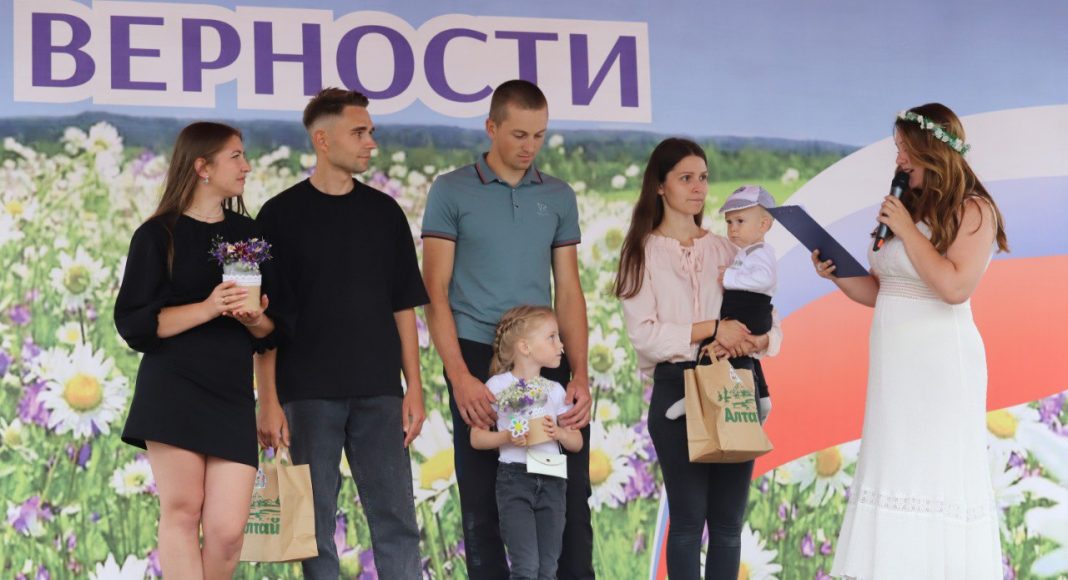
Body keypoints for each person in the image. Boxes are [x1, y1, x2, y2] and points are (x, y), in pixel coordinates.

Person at [814, 103, 1009, 579]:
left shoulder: (974, 210)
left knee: (934, 471)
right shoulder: (910, 207)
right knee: (894, 466)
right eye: (897, 150)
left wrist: (904, 228)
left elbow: (954, 287)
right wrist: (836, 274)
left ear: (934, 152)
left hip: (941, 366)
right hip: (894, 369)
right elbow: (885, 291)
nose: (899, 160)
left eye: (906, 150)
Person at [422, 79, 594, 580]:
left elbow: (569, 289)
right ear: (491, 127)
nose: (529, 147)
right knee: (484, 499)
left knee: (564, 496)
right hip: (477, 357)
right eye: (519, 134)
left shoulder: (558, 195)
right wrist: (460, 377)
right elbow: (435, 290)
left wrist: (580, 373)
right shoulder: (451, 190)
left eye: (539, 135)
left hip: (544, 359)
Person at [254, 88, 428, 579]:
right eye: (359, 132)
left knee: (397, 521)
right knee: (312, 527)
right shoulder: (277, 216)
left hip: (380, 392)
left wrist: (413, 386)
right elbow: (262, 320)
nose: (371, 142)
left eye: (371, 131)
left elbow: (403, 307)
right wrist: (267, 400)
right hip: (306, 394)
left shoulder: (386, 213)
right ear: (323, 140)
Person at [616, 138, 782, 580]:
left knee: (727, 526)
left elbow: (771, 325)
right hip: (675, 388)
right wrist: (713, 328)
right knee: (688, 523)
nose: (698, 188)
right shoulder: (640, 253)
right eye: (686, 178)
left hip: (733, 383)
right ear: (659, 186)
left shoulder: (730, 249)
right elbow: (644, 336)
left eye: (703, 178)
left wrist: (751, 340)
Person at [115, 122, 274, 579]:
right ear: (202, 167)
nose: (246, 166)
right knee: (183, 511)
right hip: (172, 389)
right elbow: (136, 325)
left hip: (231, 393)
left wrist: (254, 317)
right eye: (236, 156)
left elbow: (270, 330)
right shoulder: (157, 235)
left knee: (227, 530)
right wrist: (208, 308)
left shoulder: (247, 235)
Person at [471, 305, 583, 580]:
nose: (561, 345)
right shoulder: (497, 386)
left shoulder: (556, 390)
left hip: (552, 479)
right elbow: (476, 437)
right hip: (514, 479)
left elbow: (577, 441)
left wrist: (559, 433)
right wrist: (506, 437)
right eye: (552, 337)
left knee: (548, 568)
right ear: (525, 347)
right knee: (526, 567)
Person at [664, 184, 778, 423]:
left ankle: (694, 396)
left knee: (713, 347)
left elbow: (765, 279)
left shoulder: (760, 253)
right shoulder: (747, 252)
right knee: (743, 355)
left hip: (750, 311)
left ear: (763, 225)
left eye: (740, 221)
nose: (733, 229)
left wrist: (730, 277)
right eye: (729, 222)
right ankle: (763, 396)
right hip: (751, 312)